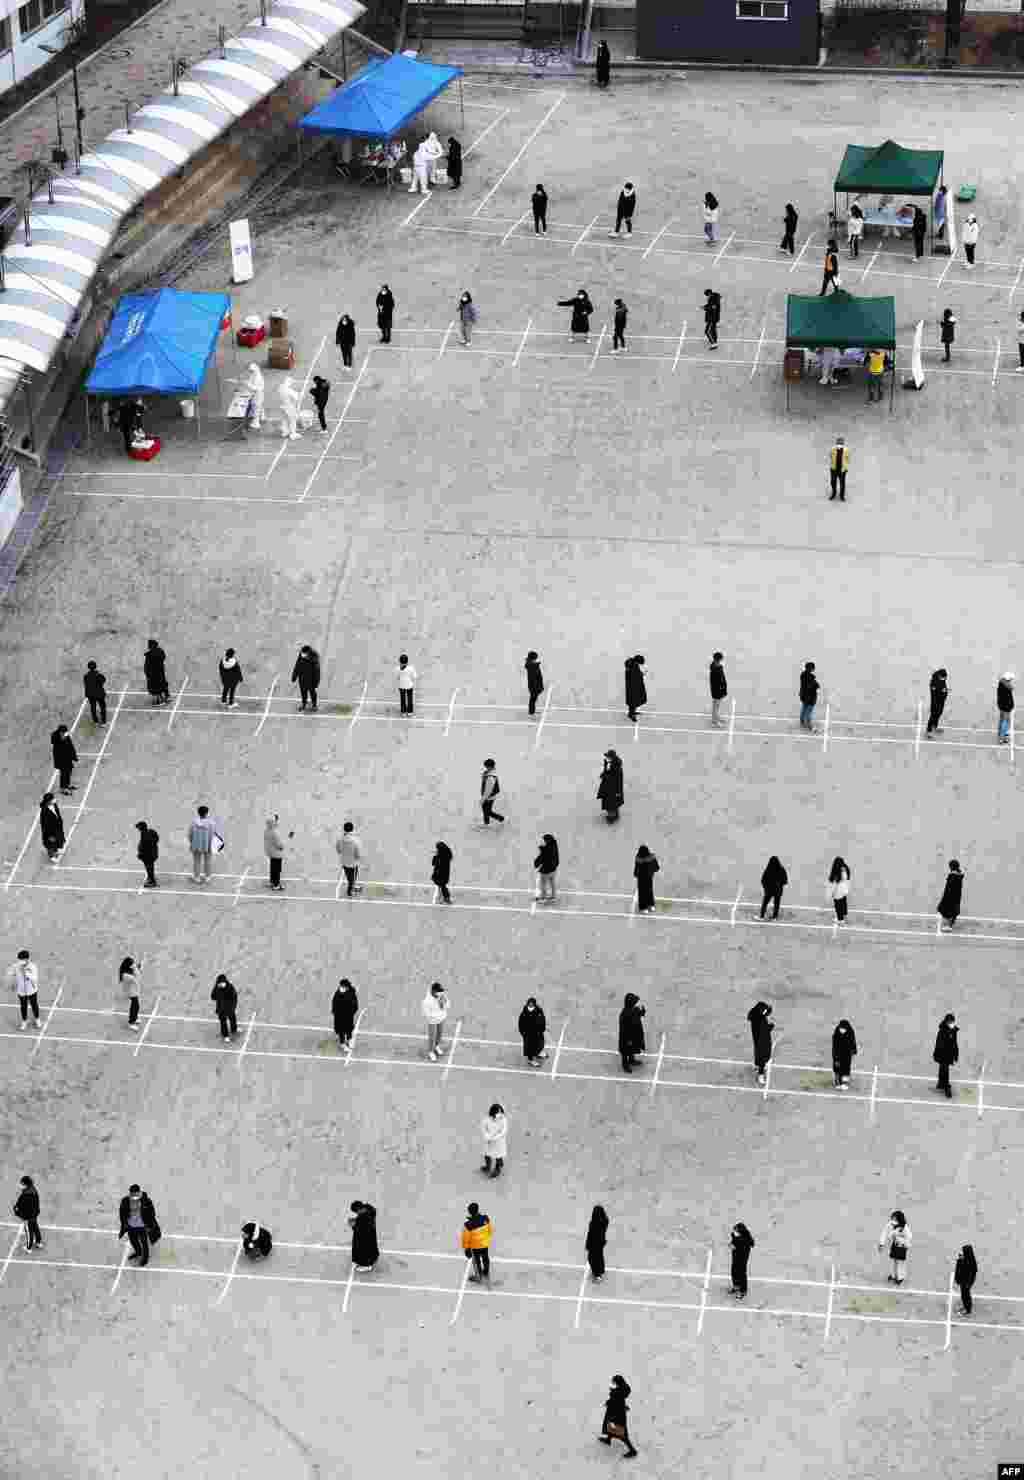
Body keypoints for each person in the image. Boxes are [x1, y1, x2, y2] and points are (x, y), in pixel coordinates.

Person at [118, 1183, 159, 1267]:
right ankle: (138, 1252)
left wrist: (150, 1225)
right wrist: (124, 1225)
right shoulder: (125, 1201)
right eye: (132, 1194)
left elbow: (152, 1213)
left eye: (135, 1193)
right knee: (133, 1241)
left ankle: (145, 1258)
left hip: (142, 1226)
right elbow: (122, 1213)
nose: (134, 1195)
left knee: (144, 1243)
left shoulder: (146, 1201)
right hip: (131, 1226)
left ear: (139, 1192)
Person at [599, 1375, 637, 1458]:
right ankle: (608, 1439)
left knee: (622, 1433)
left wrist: (610, 1400)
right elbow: (620, 1400)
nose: (614, 1384)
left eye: (614, 1382)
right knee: (611, 1426)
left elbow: (615, 1401)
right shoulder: (622, 1390)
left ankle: (632, 1450)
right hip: (617, 1413)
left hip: (617, 1415)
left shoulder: (618, 1392)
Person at [8, 949, 39, 1030]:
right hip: (21, 991)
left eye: (22, 959)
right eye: (19, 959)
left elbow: (35, 978)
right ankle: (24, 1021)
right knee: (23, 1006)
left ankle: (37, 1019)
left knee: (34, 1005)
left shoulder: (33, 967)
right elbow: (10, 973)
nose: (20, 961)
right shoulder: (16, 966)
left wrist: (27, 973)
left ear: (27, 959)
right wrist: (12, 981)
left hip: (32, 990)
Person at [878, 1210, 911, 1284]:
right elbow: (885, 1232)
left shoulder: (904, 1227)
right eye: (892, 1218)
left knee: (900, 1262)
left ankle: (900, 1277)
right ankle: (893, 1275)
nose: (893, 1220)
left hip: (901, 1247)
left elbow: (909, 1237)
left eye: (895, 1219)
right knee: (893, 1260)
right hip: (894, 1246)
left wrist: (901, 1240)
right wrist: (881, 1244)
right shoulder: (890, 1224)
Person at [462, 1202, 492, 1282]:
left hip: (475, 1247)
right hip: (485, 1244)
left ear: (470, 1212)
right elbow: (489, 1229)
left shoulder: (468, 1225)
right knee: (485, 1258)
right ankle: (486, 1271)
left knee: (476, 1261)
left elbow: (466, 1238)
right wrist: (486, 1239)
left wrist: (467, 1249)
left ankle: (479, 1276)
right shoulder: (486, 1218)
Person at [188, 803, 216, 886]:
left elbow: (190, 834)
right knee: (208, 861)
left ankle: (197, 877)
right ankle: (207, 877)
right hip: (207, 845)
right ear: (207, 813)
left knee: (196, 861)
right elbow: (213, 834)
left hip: (196, 845)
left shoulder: (194, 822)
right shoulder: (211, 823)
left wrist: (192, 842)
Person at [747, 1001, 774, 1085]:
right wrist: (770, 1027)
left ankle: (757, 1065)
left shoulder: (755, 1015)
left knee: (758, 1052)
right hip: (761, 1040)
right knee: (763, 1055)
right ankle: (760, 1075)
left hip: (757, 1038)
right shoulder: (760, 1020)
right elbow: (765, 1032)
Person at [618, 992, 646, 1073]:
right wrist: (628, 1040)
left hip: (634, 1035)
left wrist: (643, 1011)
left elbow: (640, 1014)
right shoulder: (624, 1015)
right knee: (625, 1051)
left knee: (632, 1049)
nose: (636, 1003)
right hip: (626, 1038)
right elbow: (624, 1030)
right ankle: (625, 1064)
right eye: (634, 1002)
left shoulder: (634, 1009)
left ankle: (632, 1060)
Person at [933, 1011, 959, 1098]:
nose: (952, 1023)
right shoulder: (942, 1031)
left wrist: (955, 1054)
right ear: (947, 1022)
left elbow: (955, 1043)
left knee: (943, 1068)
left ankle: (941, 1083)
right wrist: (937, 1054)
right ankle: (946, 1087)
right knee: (945, 1069)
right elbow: (939, 1043)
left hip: (949, 1053)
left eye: (953, 1022)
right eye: (951, 1022)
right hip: (943, 1054)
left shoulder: (953, 1031)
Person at [13, 1174, 42, 1250]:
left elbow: (22, 1206)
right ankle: (38, 1242)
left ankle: (28, 1247)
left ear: (25, 1184)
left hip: (28, 1217)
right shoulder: (33, 1190)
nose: (20, 1185)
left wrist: (18, 1213)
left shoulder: (25, 1195)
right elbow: (36, 1203)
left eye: (21, 1184)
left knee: (29, 1231)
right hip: (34, 1214)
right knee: (35, 1227)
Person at [349, 1200, 379, 1271]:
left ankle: (367, 1265)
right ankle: (361, 1261)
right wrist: (356, 1220)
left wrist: (353, 1225)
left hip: (365, 1238)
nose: (356, 1213)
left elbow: (360, 1230)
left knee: (363, 1249)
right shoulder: (369, 1209)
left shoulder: (364, 1218)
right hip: (370, 1235)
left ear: (359, 1209)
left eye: (356, 1212)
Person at [423, 982, 449, 1060]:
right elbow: (426, 1014)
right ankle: (431, 1052)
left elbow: (448, 1005)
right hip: (432, 1021)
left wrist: (443, 1004)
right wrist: (439, 1010)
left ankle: (436, 1047)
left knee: (439, 1035)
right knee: (432, 1037)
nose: (440, 994)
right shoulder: (427, 1001)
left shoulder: (441, 995)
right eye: (438, 992)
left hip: (441, 1019)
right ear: (433, 992)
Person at [50, 723, 77, 796]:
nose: (65, 734)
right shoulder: (56, 738)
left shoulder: (65, 735)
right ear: (60, 732)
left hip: (67, 758)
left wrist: (74, 756)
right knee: (64, 773)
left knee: (69, 771)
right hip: (61, 759)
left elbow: (70, 745)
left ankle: (67, 785)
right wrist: (62, 739)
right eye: (63, 732)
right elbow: (56, 745)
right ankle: (62, 788)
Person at [517, 996, 547, 1066]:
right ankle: (531, 1060)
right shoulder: (524, 1013)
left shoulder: (539, 1010)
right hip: (528, 1034)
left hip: (538, 1032)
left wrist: (543, 1028)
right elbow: (520, 1024)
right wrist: (523, 1033)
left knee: (540, 1043)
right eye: (529, 1004)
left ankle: (539, 1053)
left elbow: (542, 1019)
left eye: (532, 1004)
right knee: (530, 1047)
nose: (530, 1005)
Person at [481, 1103, 507, 1178]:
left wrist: (496, 1137)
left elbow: (504, 1131)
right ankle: (488, 1166)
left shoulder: (503, 1119)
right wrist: (487, 1136)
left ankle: (497, 1169)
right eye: (498, 1112)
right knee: (487, 1154)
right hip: (489, 1141)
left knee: (498, 1155)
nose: (499, 1114)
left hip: (499, 1141)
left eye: (500, 1112)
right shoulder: (487, 1119)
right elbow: (484, 1128)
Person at [264, 813, 289, 892]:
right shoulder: (275, 833)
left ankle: (272, 882)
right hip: (276, 854)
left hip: (270, 852)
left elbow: (274, 822)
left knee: (272, 868)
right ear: (273, 823)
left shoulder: (267, 830)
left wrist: (276, 819)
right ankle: (276, 885)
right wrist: (289, 838)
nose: (276, 821)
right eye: (275, 820)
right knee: (277, 869)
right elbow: (280, 846)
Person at [597, 749, 623, 823]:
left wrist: (605, 775)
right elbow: (608, 773)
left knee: (611, 803)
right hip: (609, 788)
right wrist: (605, 769)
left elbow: (614, 778)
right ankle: (613, 814)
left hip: (612, 789)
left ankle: (612, 817)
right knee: (611, 803)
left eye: (608, 757)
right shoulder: (612, 764)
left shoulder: (616, 766)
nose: (607, 758)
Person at [291, 644, 320, 711]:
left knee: (312, 692)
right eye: (302, 653)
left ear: (308, 653)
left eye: (304, 654)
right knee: (303, 692)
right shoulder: (301, 655)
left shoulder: (314, 658)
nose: (302, 655)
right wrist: (294, 676)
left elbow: (317, 672)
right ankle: (304, 704)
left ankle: (314, 705)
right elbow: (297, 665)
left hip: (311, 679)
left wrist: (316, 683)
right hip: (302, 678)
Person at [937, 859, 964, 930]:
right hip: (957, 896)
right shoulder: (959, 875)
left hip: (950, 896)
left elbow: (948, 888)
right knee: (954, 910)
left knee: (947, 910)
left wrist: (945, 897)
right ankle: (950, 923)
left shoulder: (953, 876)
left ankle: (948, 926)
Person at [332, 978, 359, 1049]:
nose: (342, 988)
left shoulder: (351, 993)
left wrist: (352, 1011)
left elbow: (355, 1003)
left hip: (348, 1015)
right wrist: (336, 1013)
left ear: (347, 987)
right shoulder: (337, 994)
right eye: (341, 986)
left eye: (343, 987)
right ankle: (342, 1043)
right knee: (341, 1030)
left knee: (349, 1029)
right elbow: (334, 1004)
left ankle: (349, 1040)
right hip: (340, 1016)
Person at [337, 820, 362, 897]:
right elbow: (358, 853)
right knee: (353, 878)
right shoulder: (355, 840)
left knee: (349, 876)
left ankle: (352, 886)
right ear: (352, 829)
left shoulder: (340, 839)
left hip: (344, 862)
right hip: (353, 863)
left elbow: (338, 850)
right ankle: (350, 891)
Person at [730, 1223, 755, 1298]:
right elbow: (733, 1241)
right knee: (733, 1271)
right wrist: (732, 1244)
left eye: (736, 1231)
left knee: (741, 1273)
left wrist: (735, 1247)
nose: (734, 1232)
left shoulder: (746, 1241)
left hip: (742, 1259)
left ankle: (743, 1291)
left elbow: (743, 1250)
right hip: (735, 1257)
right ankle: (736, 1286)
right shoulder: (735, 1235)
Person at [211, 973, 238, 1040]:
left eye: (223, 982)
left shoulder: (230, 987)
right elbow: (212, 996)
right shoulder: (217, 988)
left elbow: (234, 996)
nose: (222, 984)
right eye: (220, 983)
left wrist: (233, 1006)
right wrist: (218, 996)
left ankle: (234, 1029)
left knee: (233, 1019)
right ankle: (225, 1035)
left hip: (230, 1008)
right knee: (223, 1023)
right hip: (221, 1009)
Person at [831, 1018, 857, 1089]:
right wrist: (835, 1057)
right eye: (841, 1028)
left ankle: (845, 1083)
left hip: (847, 1054)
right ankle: (837, 1082)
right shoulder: (836, 1033)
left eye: (843, 1028)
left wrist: (854, 1050)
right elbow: (834, 1046)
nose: (842, 1030)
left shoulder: (851, 1032)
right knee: (837, 1068)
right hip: (838, 1053)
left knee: (846, 1068)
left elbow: (853, 1042)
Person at [633, 845, 659, 914]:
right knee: (649, 891)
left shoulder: (638, 858)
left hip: (641, 879)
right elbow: (656, 867)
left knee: (642, 893)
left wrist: (635, 874)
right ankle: (651, 905)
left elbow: (636, 868)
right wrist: (654, 870)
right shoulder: (652, 857)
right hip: (649, 878)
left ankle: (643, 908)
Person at [534, 833, 559, 904]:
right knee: (552, 882)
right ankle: (553, 897)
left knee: (543, 884)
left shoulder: (546, 849)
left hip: (546, 871)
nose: (543, 841)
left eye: (544, 840)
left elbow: (541, 858)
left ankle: (543, 898)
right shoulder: (554, 846)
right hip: (553, 869)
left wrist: (536, 864)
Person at [119, 955, 142, 1031]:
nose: (133, 964)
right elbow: (137, 978)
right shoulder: (126, 975)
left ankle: (134, 1018)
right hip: (130, 992)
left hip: (133, 990)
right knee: (135, 1006)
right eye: (132, 963)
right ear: (129, 965)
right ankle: (131, 1023)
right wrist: (136, 969)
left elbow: (135, 974)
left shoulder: (128, 971)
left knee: (136, 1005)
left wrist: (137, 968)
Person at [39, 793, 64, 863]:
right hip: (49, 831)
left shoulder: (54, 805)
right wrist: (49, 835)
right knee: (50, 844)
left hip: (56, 827)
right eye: (52, 799)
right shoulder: (45, 811)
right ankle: (52, 856)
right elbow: (45, 825)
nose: (54, 800)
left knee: (57, 839)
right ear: (48, 801)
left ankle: (56, 850)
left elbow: (57, 813)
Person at [586, 1205, 609, 1281]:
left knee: (592, 1258)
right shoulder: (605, 1221)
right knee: (599, 1257)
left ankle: (597, 1274)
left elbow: (590, 1234)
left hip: (594, 1243)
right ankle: (600, 1271)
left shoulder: (594, 1223)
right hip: (601, 1242)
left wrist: (588, 1244)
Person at [144, 638, 169, 705]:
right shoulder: (160, 651)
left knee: (155, 687)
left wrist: (147, 673)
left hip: (153, 674)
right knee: (162, 684)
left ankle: (159, 701)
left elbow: (147, 666)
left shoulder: (149, 655)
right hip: (160, 671)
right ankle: (165, 697)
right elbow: (164, 657)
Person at [480, 758, 505, 825]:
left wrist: (483, 799)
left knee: (487, 812)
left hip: (488, 797)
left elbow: (488, 790)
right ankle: (488, 823)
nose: (485, 768)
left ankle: (500, 819)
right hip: (490, 797)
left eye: (486, 766)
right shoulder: (490, 773)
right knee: (487, 811)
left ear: (490, 766)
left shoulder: (490, 777)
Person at [954, 1244, 977, 1315]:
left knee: (965, 1296)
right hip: (965, 1282)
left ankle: (967, 1310)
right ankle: (966, 1307)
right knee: (964, 1296)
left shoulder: (969, 1262)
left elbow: (963, 1270)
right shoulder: (970, 1259)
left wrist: (959, 1260)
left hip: (966, 1283)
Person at [135, 819, 159, 887]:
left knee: (149, 868)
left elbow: (143, 847)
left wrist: (140, 854)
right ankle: (151, 878)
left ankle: (152, 881)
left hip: (148, 856)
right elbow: (157, 839)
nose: (138, 829)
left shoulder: (144, 835)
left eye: (139, 828)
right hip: (153, 853)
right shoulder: (151, 831)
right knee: (150, 867)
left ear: (141, 828)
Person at [83, 660, 107, 724]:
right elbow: (103, 680)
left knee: (93, 707)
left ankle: (95, 720)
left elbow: (86, 684)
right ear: (95, 666)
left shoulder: (86, 676)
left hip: (91, 695)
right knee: (102, 707)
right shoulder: (98, 675)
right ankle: (103, 721)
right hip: (99, 694)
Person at [624, 654, 647, 722]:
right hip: (633, 687)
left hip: (632, 686)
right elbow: (635, 676)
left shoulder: (633, 664)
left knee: (633, 700)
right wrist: (643, 674)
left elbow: (636, 674)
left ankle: (632, 712)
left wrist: (641, 674)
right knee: (633, 700)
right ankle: (631, 714)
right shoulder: (633, 666)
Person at [926, 667, 949, 736]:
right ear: (939, 676)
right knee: (933, 714)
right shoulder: (933, 683)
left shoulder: (942, 677)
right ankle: (929, 730)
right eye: (943, 678)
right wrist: (942, 691)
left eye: (945, 678)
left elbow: (943, 686)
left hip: (941, 700)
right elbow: (934, 694)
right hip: (935, 701)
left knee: (939, 713)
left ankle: (935, 727)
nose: (944, 679)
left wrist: (945, 690)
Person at [828, 856, 851, 924]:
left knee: (838, 905)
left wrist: (831, 894)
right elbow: (847, 880)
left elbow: (834, 886)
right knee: (843, 903)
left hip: (838, 892)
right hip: (844, 889)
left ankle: (840, 920)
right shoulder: (845, 870)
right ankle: (845, 916)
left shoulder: (836, 873)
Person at [799, 661, 820, 730]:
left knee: (804, 708)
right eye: (813, 668)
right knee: (809, 711)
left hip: (803, 695)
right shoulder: (811, 677)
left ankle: (802, 720)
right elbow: (815, 686)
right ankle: (809, 724)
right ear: (811, 669)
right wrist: (816, 685)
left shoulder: (802, 675)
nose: (813, 669)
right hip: (810, 696)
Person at [709, 651, 727, 727]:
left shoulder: (716, 666)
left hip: (718, 689)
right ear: (719, 659)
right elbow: (718, 680)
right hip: (717, 690)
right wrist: (722, 689)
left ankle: (716, 717)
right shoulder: (716, 668)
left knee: (717, 705)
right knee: (716, 706)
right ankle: (714, 722)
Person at [244, 363, 264, 428]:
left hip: (257, 395)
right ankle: (261, 417)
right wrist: (247, 382)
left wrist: (247, 384)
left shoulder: (257, 377)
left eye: (251, 371)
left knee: (256, 408)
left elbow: (255, 388)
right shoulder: (254, 374)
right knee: (258, 407)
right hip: (256, 395)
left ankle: (256, 423)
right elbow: (251, 381)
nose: (250, 372)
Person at [997, 672, 1014, 744]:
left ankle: (1000, 733)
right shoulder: (1008, 687)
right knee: (1006, 722)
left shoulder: (1000, 684)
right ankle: (1002, 737)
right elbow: (1009, 698)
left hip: (1001, 705)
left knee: (1001, 720)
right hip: (1006, 707)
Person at [829, 437, 848, 501]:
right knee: (833, 482)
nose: (839, 445)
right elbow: (831, 456)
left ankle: (842, 496)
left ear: (843, 444)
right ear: (836, 443)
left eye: (841, 443)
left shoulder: (846, 450)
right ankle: (834, 493)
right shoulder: (833, 449)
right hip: (834, 469)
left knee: (842, 483)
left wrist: (845, 467)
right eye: (838, 443)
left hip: (842, 470)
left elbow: (847, 458)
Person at [525, 650, 544, 715]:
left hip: (534, 686)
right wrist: (538, 687)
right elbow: (535, 677)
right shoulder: (532, 666)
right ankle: (531, 712)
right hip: (534, 686)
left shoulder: (532, 665)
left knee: (533, 699)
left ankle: (532, 711)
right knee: (533, 699)